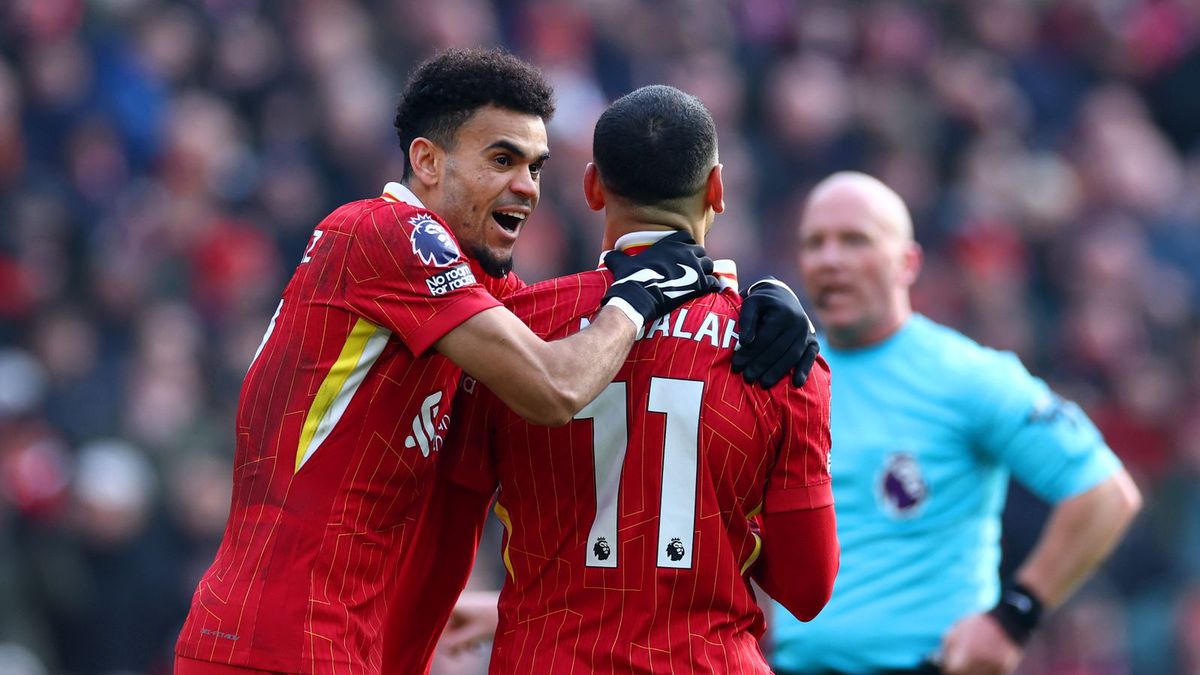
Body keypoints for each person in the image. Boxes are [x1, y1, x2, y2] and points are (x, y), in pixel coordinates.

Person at [174, 49, 816, 675]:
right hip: (275, 641)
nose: (525, 188)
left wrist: (762, 297)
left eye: (536, 167)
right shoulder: (383, 234)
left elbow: (571, 314)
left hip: (336, 643)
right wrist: (640, 298)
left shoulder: (468, 288)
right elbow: (557, 383)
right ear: (425, 161)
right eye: (501, 160)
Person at [388, 85, 841, 674]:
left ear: (593, 187)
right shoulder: (781, 354)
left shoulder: (514, 334)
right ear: (718, 190)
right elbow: (808, 589)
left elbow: (443, 541)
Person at [769, 171, 1143, 675]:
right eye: (815, 243)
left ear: (908, 262)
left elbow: (1105, 494)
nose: (830, 259)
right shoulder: (780, 380)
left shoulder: (966, 377)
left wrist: (1014, 616)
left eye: (855, 240)